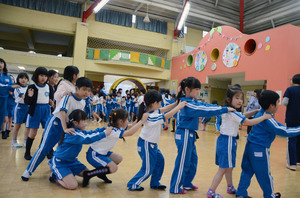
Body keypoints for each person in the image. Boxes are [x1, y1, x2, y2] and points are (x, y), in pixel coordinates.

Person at [169, 77, 235, 194]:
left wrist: (222, 108)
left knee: (193, 160)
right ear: (187, 89)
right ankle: (175, 187)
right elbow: (204, 110)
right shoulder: (186, 103)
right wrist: (224, 109)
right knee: (183, 161)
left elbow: (207, 106)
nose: (198, 92)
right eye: (197, 89)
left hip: (190, 134)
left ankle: (187, 183)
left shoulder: (193, 101)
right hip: (184, 134)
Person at [21, 77, 93, 181]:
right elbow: (62, 111)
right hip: (56, 123)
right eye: (84, 89)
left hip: (68, 126)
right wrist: (64, 128)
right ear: (76, 88)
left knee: (62, 149)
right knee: (44, 148)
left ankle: (53, 164)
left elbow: (77, 117)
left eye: (89, 90)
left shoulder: (83, 102)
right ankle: (28, 170)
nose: (87, 92)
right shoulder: (68, 97)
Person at [206, 86, 271, 198]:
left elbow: (242, 116)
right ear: (228, 99)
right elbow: (248, 122)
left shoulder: (230, 111)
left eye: (241, 98)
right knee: (223, 168)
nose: (240, 101)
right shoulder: (233, 113)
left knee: (229, 166)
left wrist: (255, 111)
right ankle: (211, 191)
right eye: (237, 98)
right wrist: (264, 117)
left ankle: (230, 186)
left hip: (225, 141)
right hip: (228, 142)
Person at [236, 90, 300, 198]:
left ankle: (241, 193)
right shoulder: (268, 119)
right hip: (259, 149)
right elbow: (284, 131)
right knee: (265, 175)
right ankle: (269, 195)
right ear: (271, 105)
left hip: (249, 146)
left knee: (247, 171)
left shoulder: (261, 112)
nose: (279, 104)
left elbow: (279, 126)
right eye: (278, 102)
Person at [127, 90, 187, 191]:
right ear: (155, 103)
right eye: (159, 103)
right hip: (146, 144)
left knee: (160, 162)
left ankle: (155, 183)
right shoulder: (151, 116)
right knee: (148, 168)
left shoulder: (154, 111)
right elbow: (166, 115)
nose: (161, 104)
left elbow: (165, 109)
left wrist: (176, 103)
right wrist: (178, 107)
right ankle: (132, 184)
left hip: (152, 145)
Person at [48, 109, 113, 190]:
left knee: (87, 173)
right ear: (75, 123)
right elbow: (87, 139)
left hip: (72, 162)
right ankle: (55, 177)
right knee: (73, 186)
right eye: (84, 121)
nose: (86, 123)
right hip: (60, 163)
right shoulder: (72, 133)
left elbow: (90, 133)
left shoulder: (78, 131)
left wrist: (104, 129)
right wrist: (104, 134)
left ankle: (66, 173)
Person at [85, 108, 149, 186]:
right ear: (120, 121)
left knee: (118, 158)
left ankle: (101, 173)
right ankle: (88, 174)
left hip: (102, 153)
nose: (128, 121)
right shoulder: (114, 131)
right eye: (127, 120)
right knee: (113, 168)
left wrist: (138, 120)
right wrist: (142, 121)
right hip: (94, 155)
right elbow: (130, 133)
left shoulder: (114, 126)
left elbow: (131, 126)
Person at [24, 67, 54, 160]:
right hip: (35, 110)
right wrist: (29, 96)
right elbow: (26, 102)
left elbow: (51, 97)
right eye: (41, 75)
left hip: (46, 110)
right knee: (33, 133)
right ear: (36, 76)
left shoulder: (49, 87)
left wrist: (51, 101)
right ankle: (27, 152)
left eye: (45, 76)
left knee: (47, 132)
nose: (43, 78)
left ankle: (46, 150)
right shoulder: (31, 87)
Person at [283, 74, 300, 171]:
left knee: (292, 140)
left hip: (292, 119)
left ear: (293, 81)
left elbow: (285, 102)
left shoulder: (290, 90)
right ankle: (298, 160)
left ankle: (292, 164)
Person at [0, 58, 20, 139]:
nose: (0, 64)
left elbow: (12, 88)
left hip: (5, 100)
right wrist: (10, 86)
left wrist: (18, 88)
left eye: (1, 63)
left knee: (4, 118)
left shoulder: (7, 76)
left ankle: (5, 131)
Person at [11, 73, 30, 148]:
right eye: (21, 78)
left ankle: (25, 141)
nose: (23, 80)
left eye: (25, 78)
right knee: (17, 125)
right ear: (18, 79)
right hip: (19, 107)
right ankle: (14, 141)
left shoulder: (28, 88)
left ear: (27, 80)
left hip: (27, 107)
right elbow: (23, 96)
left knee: (27, 126)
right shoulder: (17, 88)